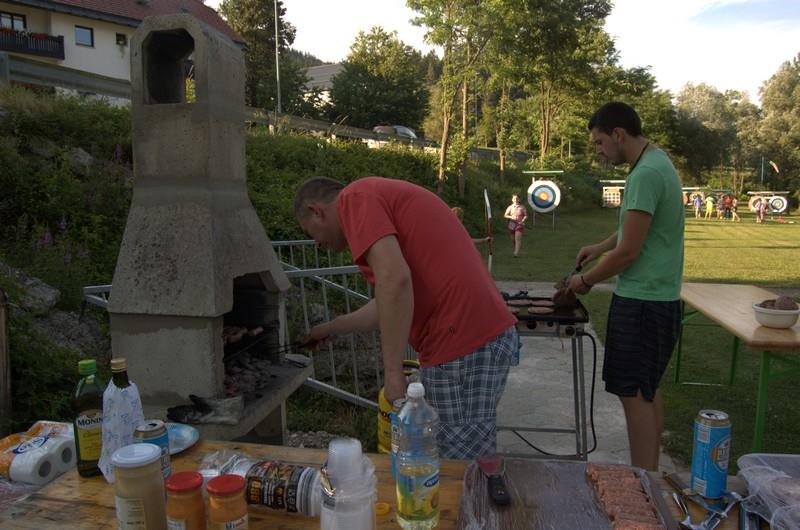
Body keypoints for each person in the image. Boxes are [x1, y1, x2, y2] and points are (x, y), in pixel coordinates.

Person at [294, 176, 518, 459]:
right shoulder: (372, 196)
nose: (317, 243)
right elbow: (389, 301)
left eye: (310, 233)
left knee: (460, 467)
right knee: (460, 458)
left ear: (316, 211)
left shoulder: (354, 198)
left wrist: (393, 373)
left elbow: (395, 280)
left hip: (462, 341)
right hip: (468, 339)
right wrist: (330, 328)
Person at [567, 102, 684, 471]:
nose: (599, 151)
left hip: (643, 302)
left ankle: (643, 484)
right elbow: (635, 228)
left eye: (600, 142)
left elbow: (629, 252)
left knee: (634, 396)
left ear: (618, 134)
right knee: (646, 390)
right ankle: (651, 478)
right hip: (657, 299)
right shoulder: (656, 161)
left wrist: (584, 280)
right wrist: (600, 246)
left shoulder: (645, 173)